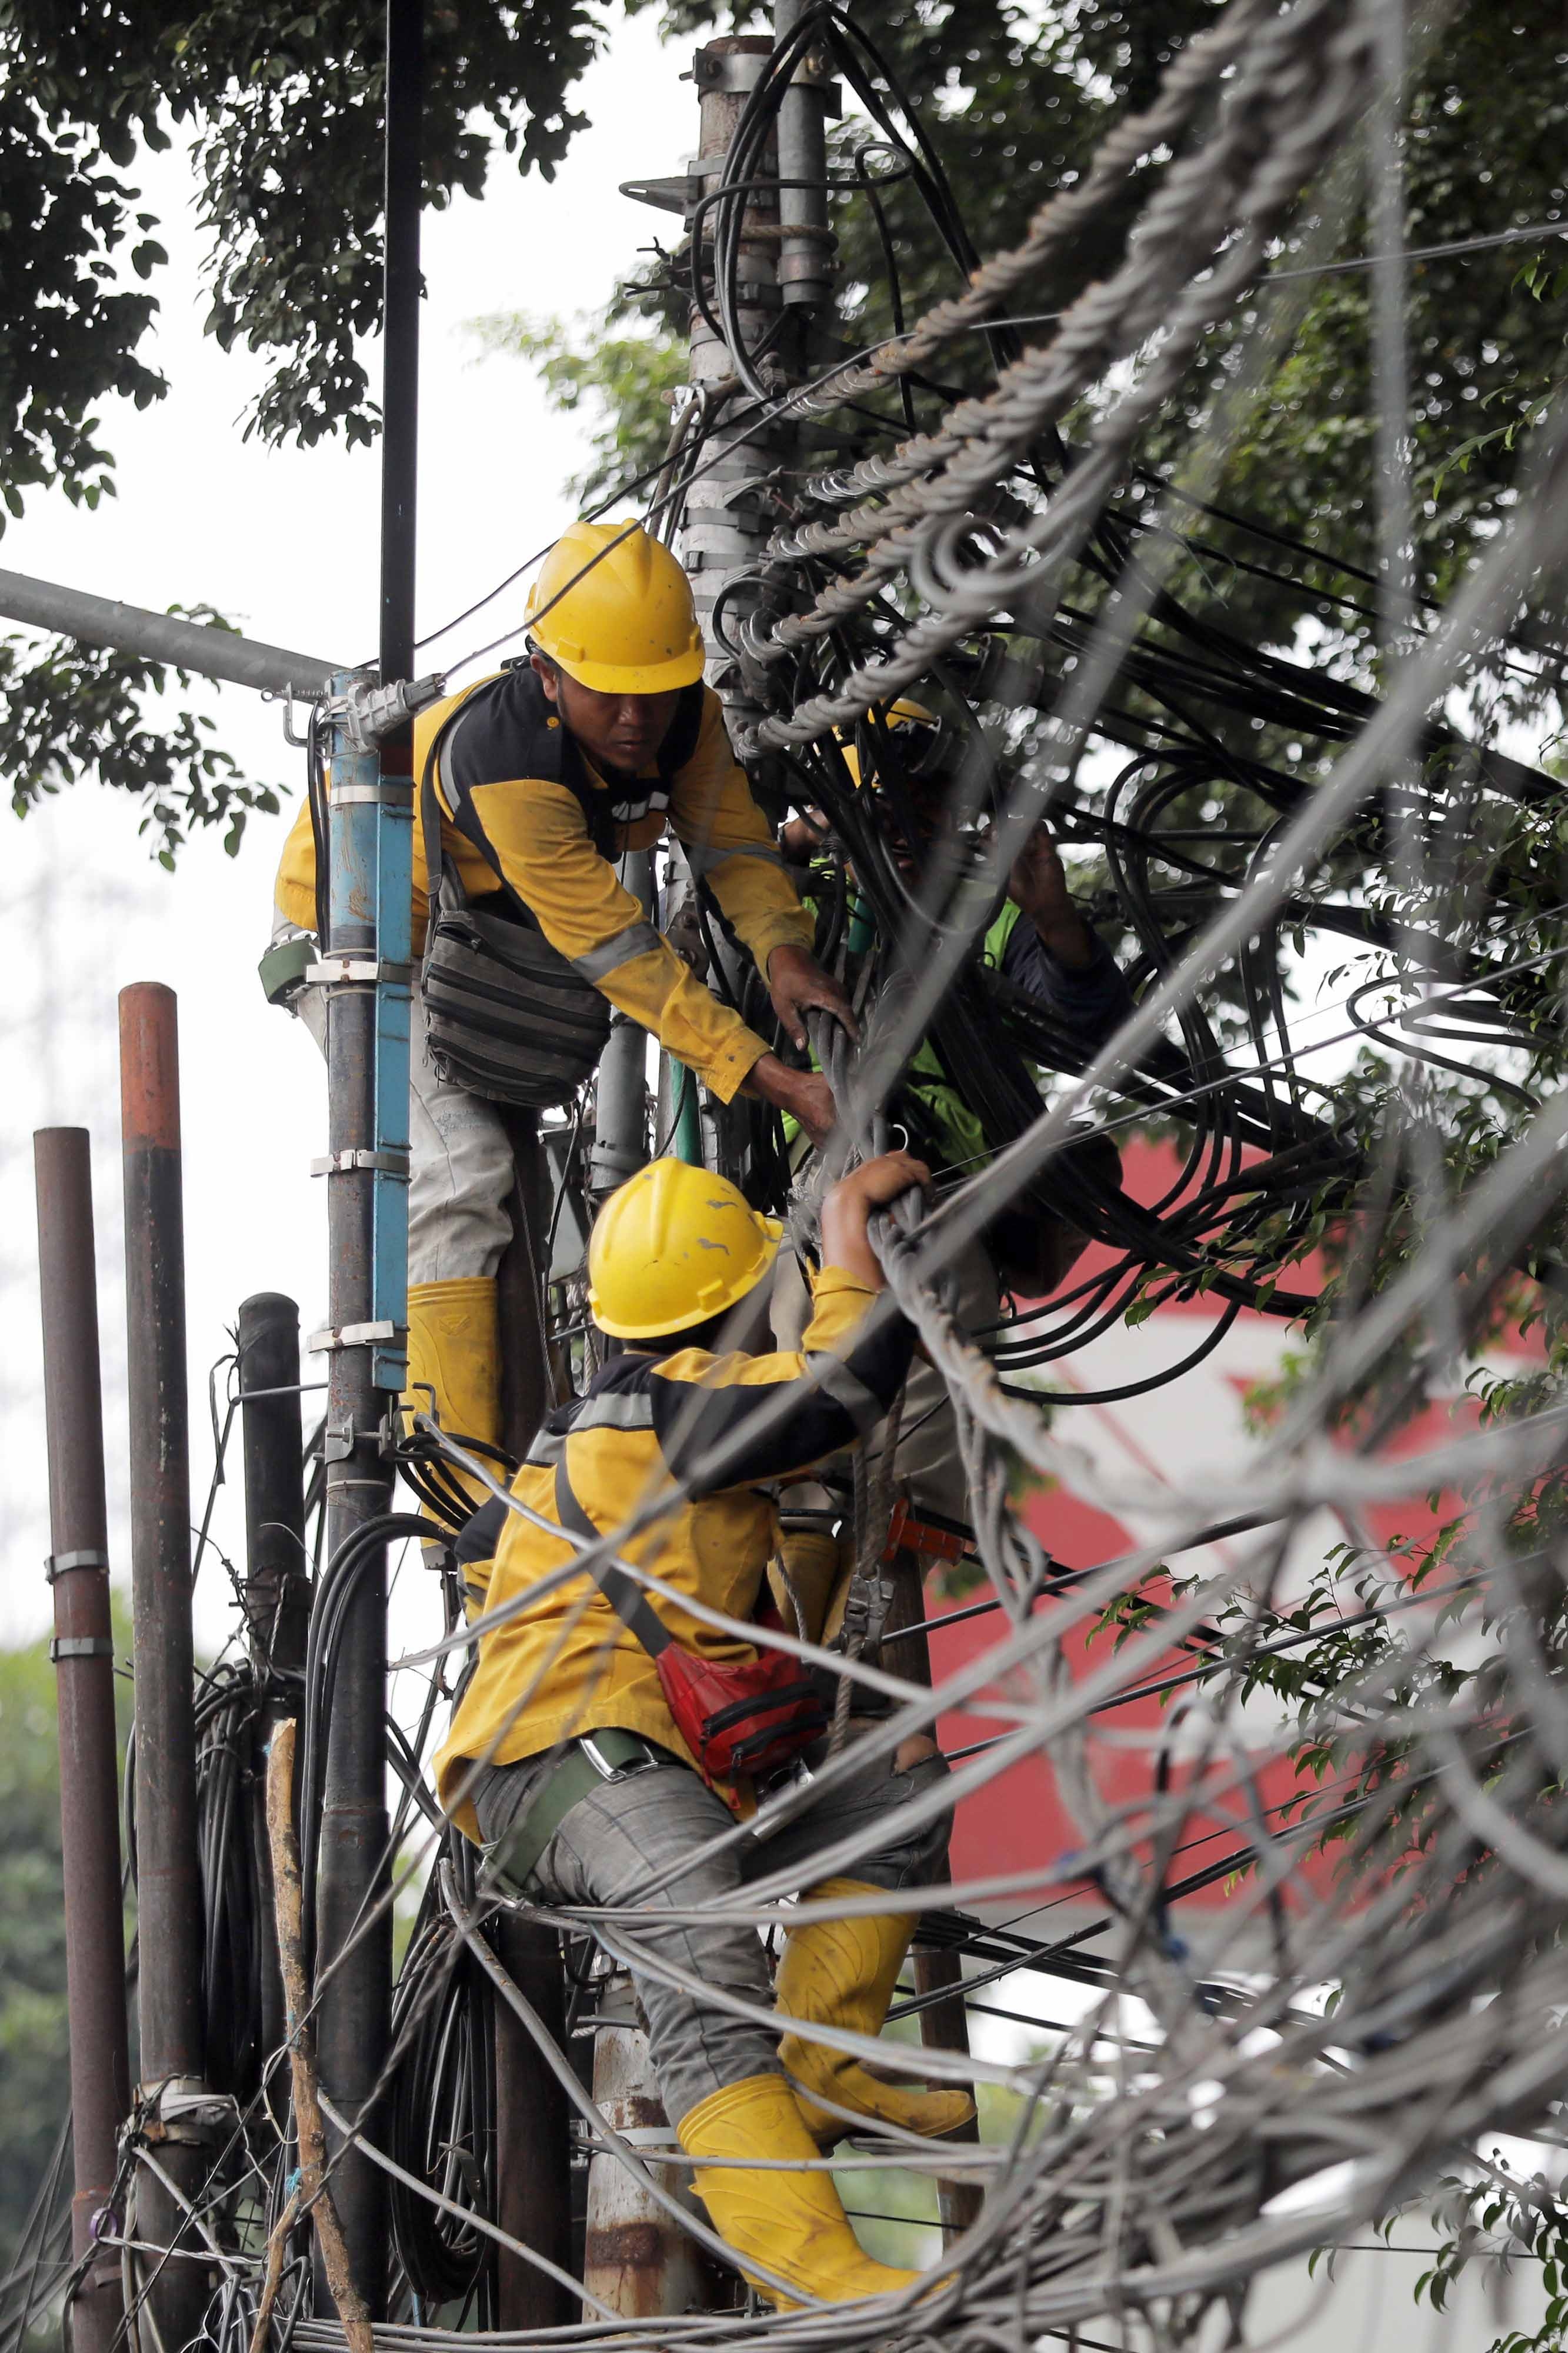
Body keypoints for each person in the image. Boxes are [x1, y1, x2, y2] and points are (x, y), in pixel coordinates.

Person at [433, 1151, 973, 2308]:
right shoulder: (666, 1408)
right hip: (559, 1762)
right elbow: (838, 1392)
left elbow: (476, 1544)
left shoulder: (620, 1420)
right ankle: (810, 2271)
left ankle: (821, 2067)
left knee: (898, 1782)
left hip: (663, 1765)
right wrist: (846, 1246)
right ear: (736, 1299)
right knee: (701, 1936)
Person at [265, 521, 852, 1491]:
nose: (633, 718)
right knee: (460, 1177)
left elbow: (734, 850)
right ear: (545, 675)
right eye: (605, 691)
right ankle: (465, 1505)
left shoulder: (685, 722)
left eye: (653, 690)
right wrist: (769, 1077)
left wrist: (785, 954)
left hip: (481, 952)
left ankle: (526, 1462)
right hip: (357, 940)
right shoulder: (507, 762)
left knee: (530, 1222)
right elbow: (617, 951)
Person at [774, 704, 1134, 1534]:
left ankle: (903, 1538)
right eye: (890, 798)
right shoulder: (805, 910)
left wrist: (1052, 919)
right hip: (816, 1197)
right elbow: (718, 927)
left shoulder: (990, 911)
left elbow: (1085, 1029)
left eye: (931, 799)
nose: (910, 821)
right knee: (804, 1428)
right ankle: (815, 1560)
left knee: (918, 1456)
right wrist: (800, 840)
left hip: (943, 1199)